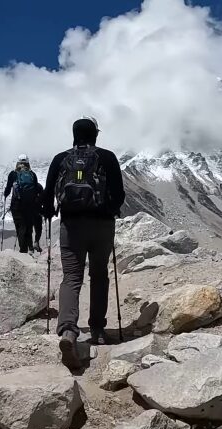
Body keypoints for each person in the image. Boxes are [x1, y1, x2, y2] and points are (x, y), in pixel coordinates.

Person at [42, 116, 125, 369]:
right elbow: (119, 194)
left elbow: (47, 197)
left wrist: (50, 213)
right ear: (95, 135)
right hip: (101, 226)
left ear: (74, 134)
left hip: (71, 226)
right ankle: (98, 329)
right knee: (99, 274)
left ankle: (68, 331)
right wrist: (109, 210)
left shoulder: (60, 159)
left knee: (72, 277)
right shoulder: (108, 157)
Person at [3, 155, 40, 254]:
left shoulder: (13, 174)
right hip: (30, 205)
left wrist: (5, 195)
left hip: (17, 206)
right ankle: (30, 248)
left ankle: (23, 251)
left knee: (20, 227)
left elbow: (7, 189)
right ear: (28, 163)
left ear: (17, 163)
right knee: (28, 226)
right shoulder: (33, 174)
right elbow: (36, 190)